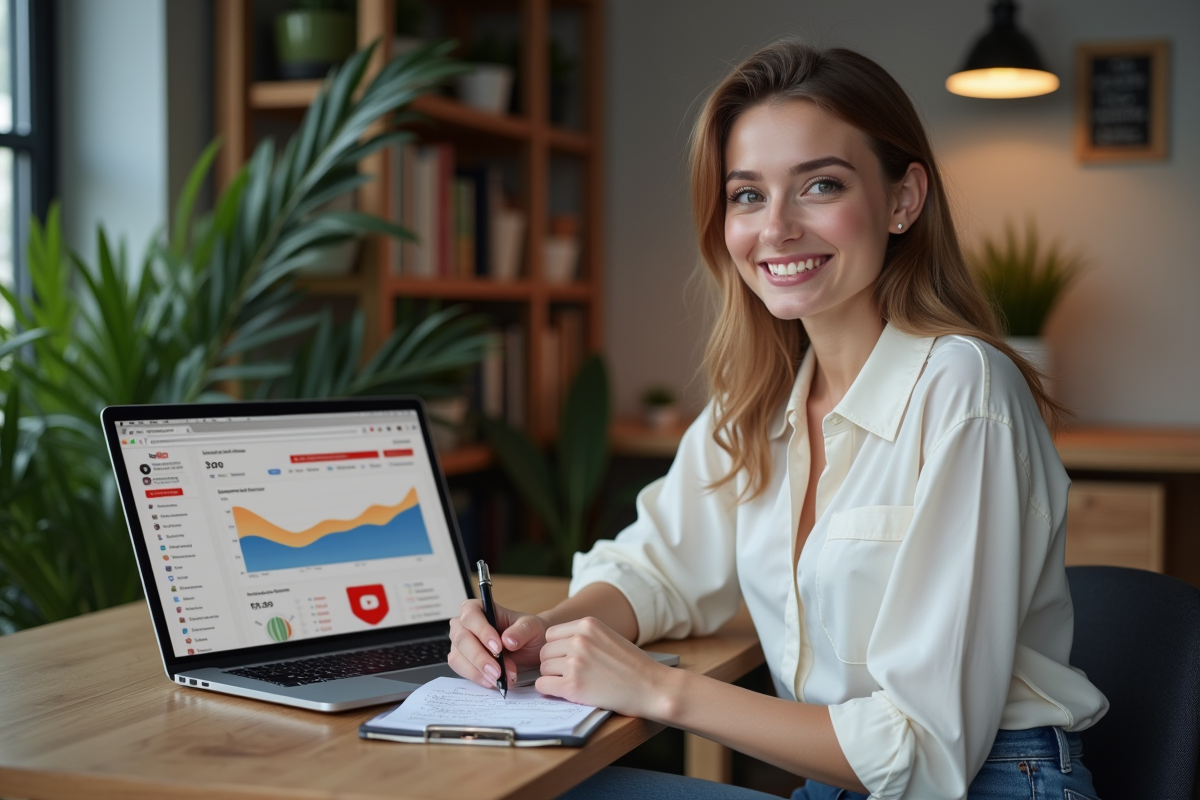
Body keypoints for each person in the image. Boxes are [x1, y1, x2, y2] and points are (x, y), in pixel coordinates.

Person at [448, 39, 1108, 800]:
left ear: (903, 200)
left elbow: (925, 748)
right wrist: (544, 635)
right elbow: (662, 568)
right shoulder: (758, 396)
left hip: (993, 783)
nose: (777, 228)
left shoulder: (963, 389)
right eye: (748, 195)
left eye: (820, 185)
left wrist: (660, 692)